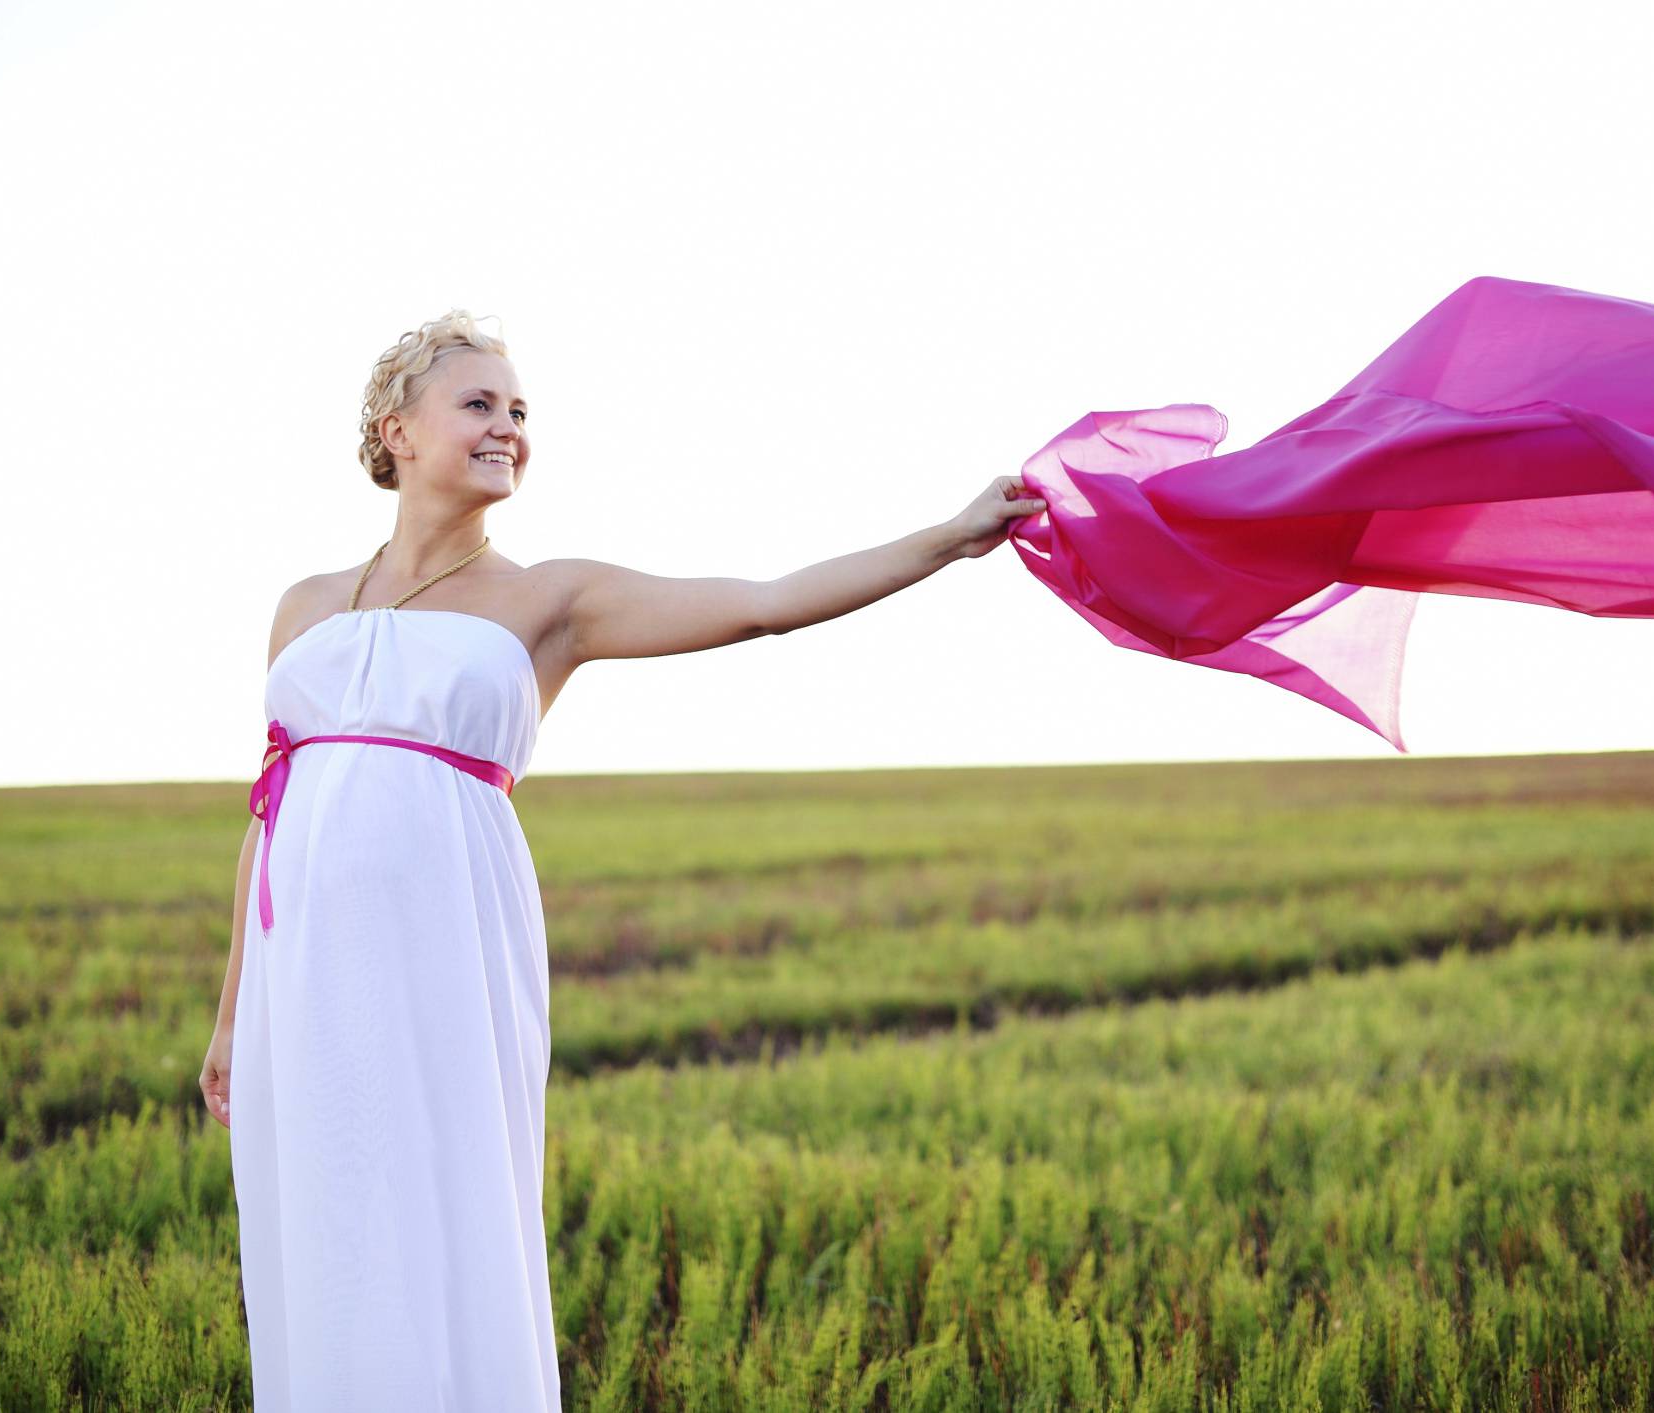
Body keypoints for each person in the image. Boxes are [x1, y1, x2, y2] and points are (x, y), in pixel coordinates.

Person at [195, 308, 1044, 1410]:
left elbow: (765, 605)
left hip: (449, 962)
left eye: (521, 411)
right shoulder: (303, 606)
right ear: (394, 429)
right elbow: (270, 813)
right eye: (479, 404)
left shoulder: (551, 598)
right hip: (302, 979)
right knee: (325, 1227)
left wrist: (948, 537)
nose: (508, 427)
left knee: (441, 1214)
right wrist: (230, 1015)